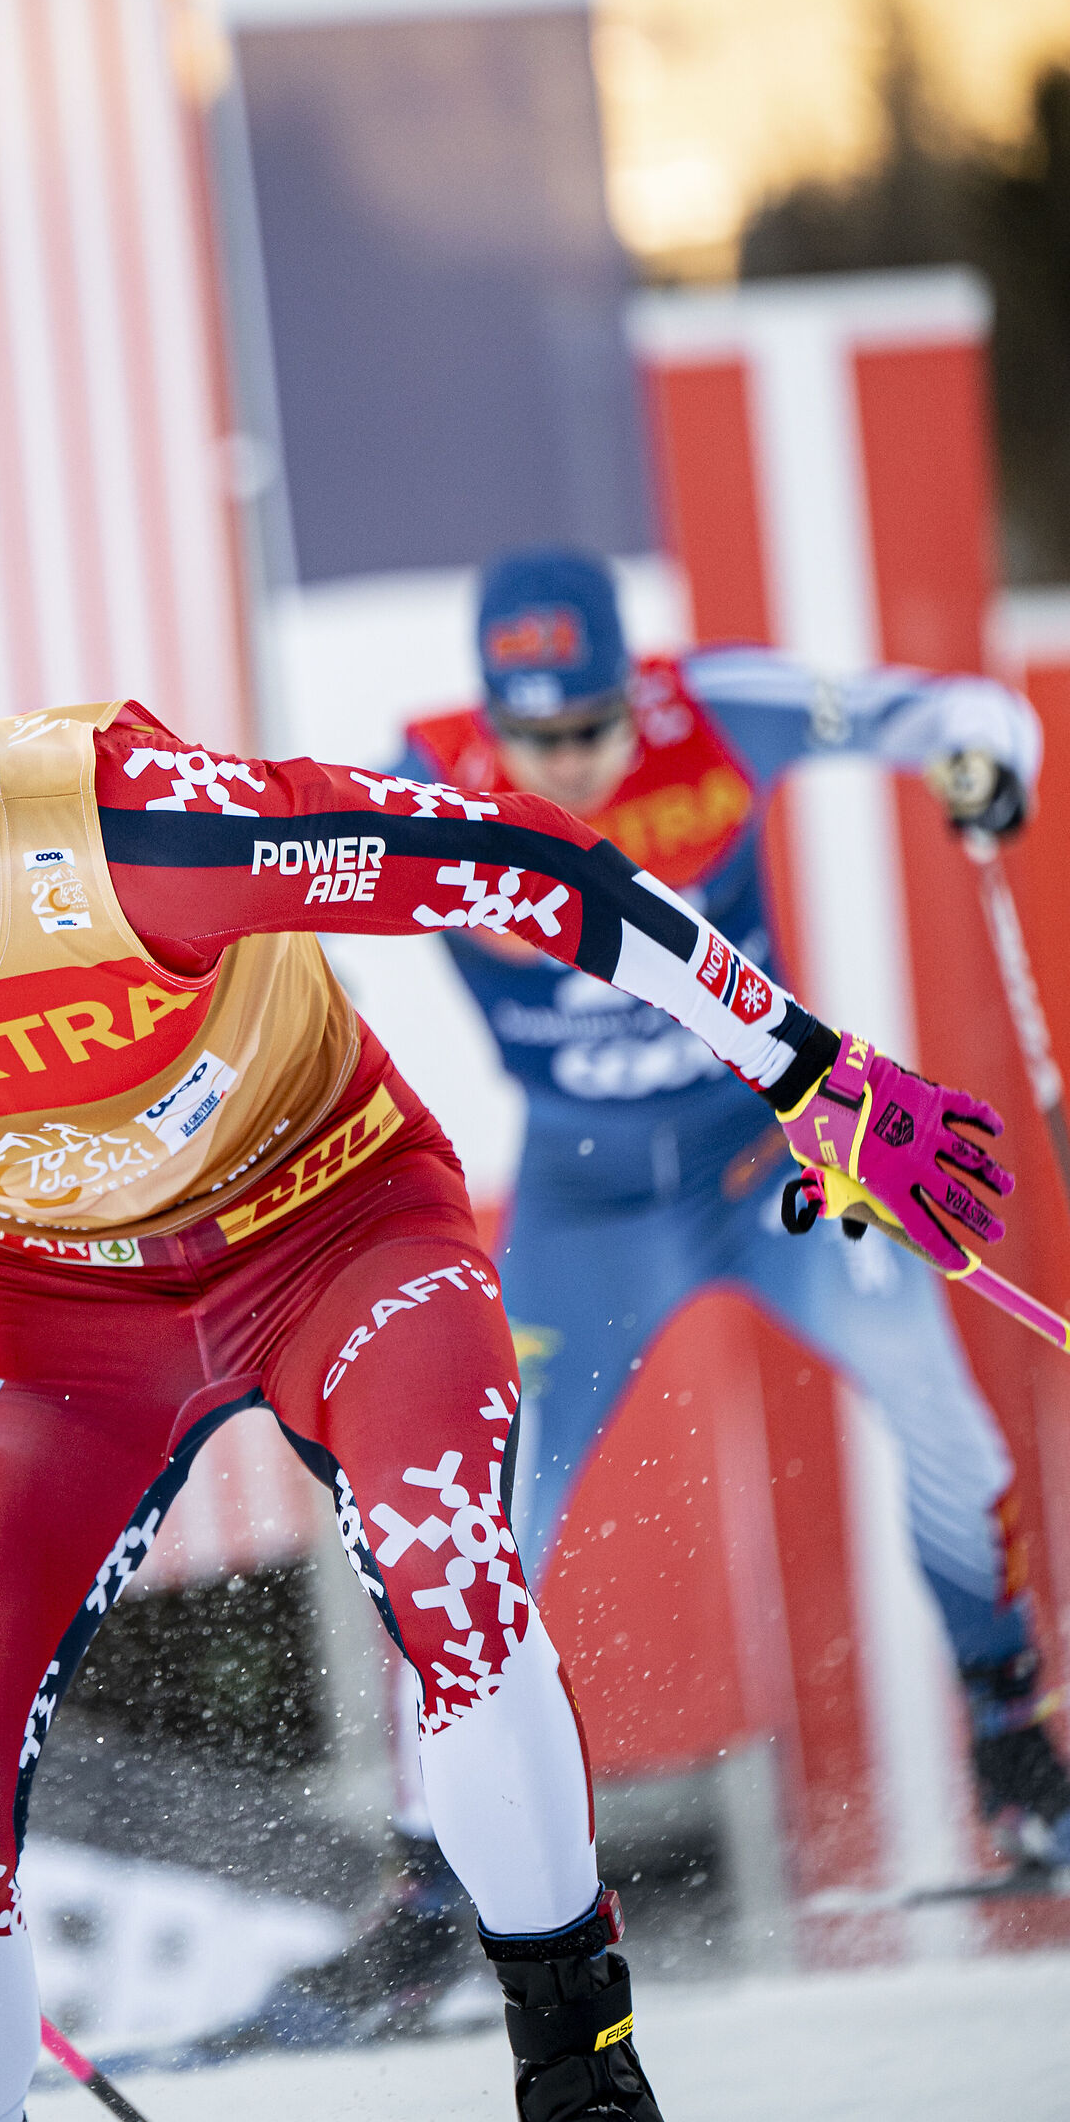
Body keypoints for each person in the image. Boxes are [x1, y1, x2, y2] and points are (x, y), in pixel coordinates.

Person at [0, 582, 1016, 2122]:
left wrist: (804, 1065)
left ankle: (576, 2059)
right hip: (64, 1316)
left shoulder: (125, 830)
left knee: (450, 1566)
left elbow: (519, 867)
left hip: (336, 1225)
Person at [273, 547, 1063, 2040]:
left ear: (631, 689)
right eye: (536, 738)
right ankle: (438, 1886)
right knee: (471, 1523)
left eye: (588, 729)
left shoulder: (719, 711)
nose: (565, 763)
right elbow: (275, 908)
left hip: (771, 1171)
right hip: (585, 1213)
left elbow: (949, 713)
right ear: (489, 720)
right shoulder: (422, 780)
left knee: (949, 1424)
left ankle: (1014, 1749)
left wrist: (982, 758)